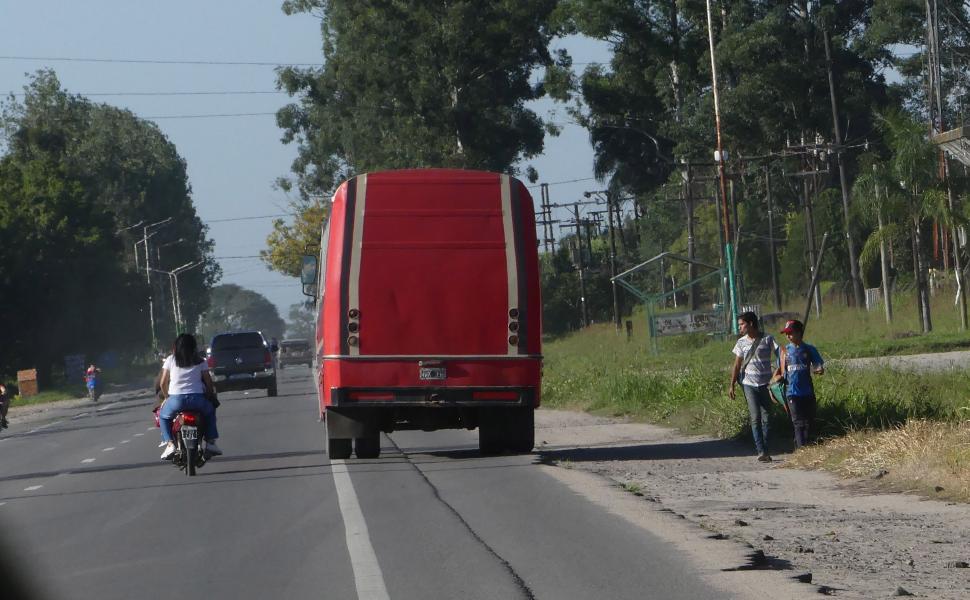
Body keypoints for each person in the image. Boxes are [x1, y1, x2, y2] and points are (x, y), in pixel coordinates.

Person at [729, 311, 782, 462]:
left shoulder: (768, 339)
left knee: (768, 418)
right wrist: (731, 385)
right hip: (749, 385)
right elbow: (737, 365)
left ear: (750, 324)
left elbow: (781, 354)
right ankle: (761, 450)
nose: (739, 328)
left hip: (766, 385)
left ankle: (765, 447)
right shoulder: (741, 342)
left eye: (741, 324)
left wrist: (779, 373)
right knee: (755, 417)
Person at [158, 334, 222, 459]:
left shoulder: (171, 360)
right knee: (210, 413)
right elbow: (208, 382)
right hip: (197, 399)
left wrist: (167, 397)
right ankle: (210, 443)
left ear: (176, 347)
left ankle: (170, 444)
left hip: (176, 400)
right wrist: (209, 395)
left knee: (163, 417)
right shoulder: (200, 361)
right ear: (194, 347)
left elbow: (162, 383)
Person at [777, 319, 824, 448]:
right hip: (791, 392)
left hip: (807, 391)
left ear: (799, 333)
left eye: (790, 333)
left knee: (808, 421)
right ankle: (801, 449)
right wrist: (778, 378)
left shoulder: (809, 349)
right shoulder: (784, 351)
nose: (787, 336)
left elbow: (818, 365)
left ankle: (807, 446)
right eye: (786, 333)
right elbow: (779, 370)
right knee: (798, 422)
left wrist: (818, 369)